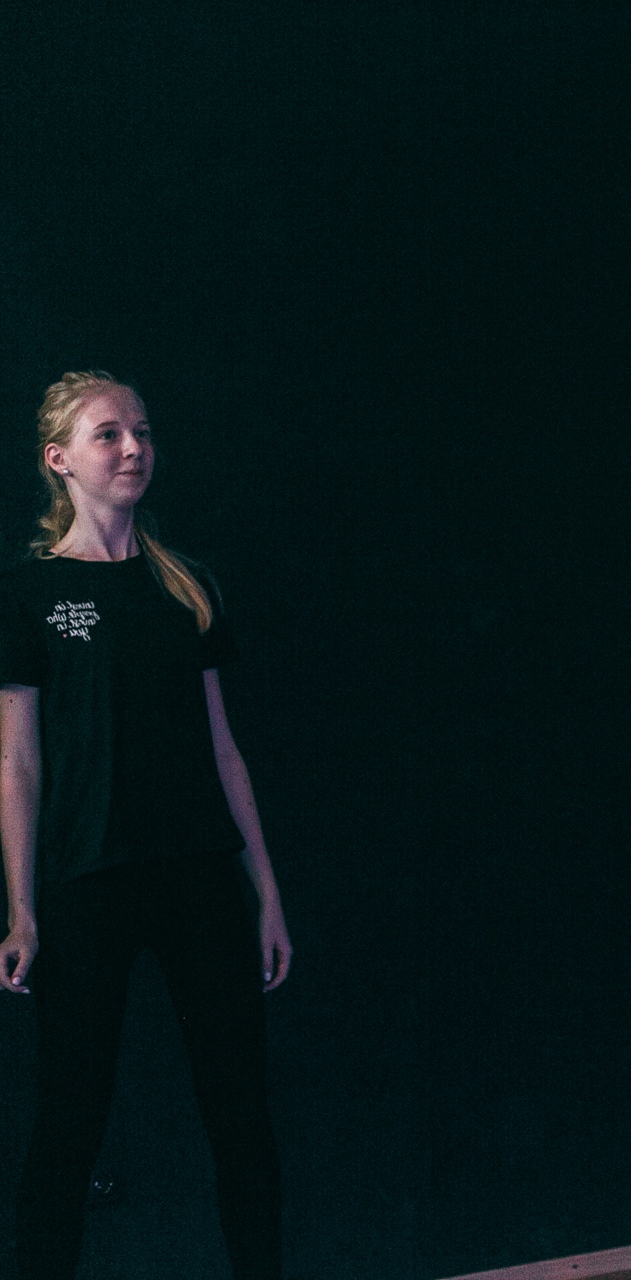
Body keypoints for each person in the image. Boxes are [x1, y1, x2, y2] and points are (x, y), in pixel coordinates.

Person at [0, 372, 290, 1280]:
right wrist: (22, 909)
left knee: (241, 1115)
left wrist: (266, 892)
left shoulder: (183, 586)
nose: (134, 448)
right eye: (109, 434)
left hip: (199, 877)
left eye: (143, 432)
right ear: (59, 459)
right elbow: (18, 763)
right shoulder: (31, 592)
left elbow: (224, 751)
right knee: (69, 1119)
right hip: (87, 882)